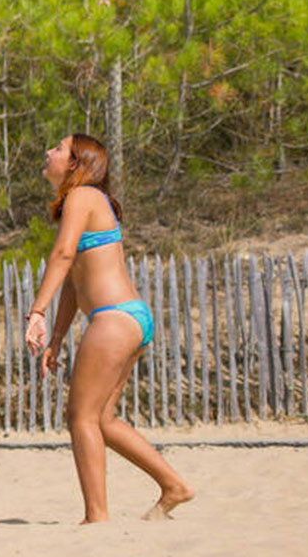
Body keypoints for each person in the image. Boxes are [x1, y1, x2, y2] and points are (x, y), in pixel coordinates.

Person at [24, 133, 195, 524]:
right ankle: (174, 486)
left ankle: (96, 517)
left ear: (73, 163)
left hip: (114, 318)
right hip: (130, 318)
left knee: (79, 417)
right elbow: (72, 280)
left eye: (58, 148)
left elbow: (63, 255)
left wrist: (36, 312)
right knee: (102, 419)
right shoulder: (85, 201)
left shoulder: (82, 197)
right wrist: (57, 337)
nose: (48, 151)